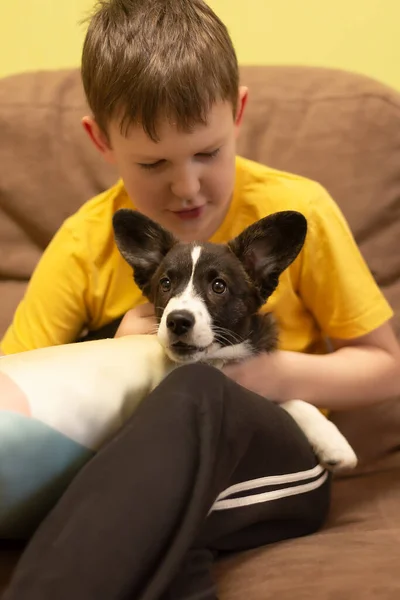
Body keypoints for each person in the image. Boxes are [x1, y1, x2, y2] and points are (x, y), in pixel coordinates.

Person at [2, 1, 400, 598]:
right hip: (135, 471)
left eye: (207, 153)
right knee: (147, 518)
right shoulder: (84, 241)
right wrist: (120, 358)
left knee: (195, 385)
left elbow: (385, 367)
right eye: (153, 162)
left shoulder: (302, 207)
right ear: (101, 140)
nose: (186, 187)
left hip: (275, 459)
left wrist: (259, 376)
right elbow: (15, 393)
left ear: (238, 113)